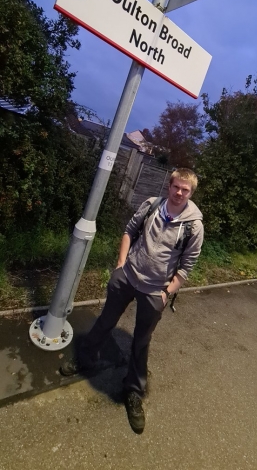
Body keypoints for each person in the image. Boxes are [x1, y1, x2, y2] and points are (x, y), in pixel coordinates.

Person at [61, 168, 204, 433]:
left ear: (191, 193)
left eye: (185, 190)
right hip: (127, 277)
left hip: (155, 291)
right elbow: (129, 232)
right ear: (169, 186)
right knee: (105, 321)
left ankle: (134, 391)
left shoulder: (194, 226)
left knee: (141, 341)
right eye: (176, 187)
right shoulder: (152, 205)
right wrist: (120, 265)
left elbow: (186, 266)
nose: (179, 192)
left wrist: (167, 292)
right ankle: (86, 358)